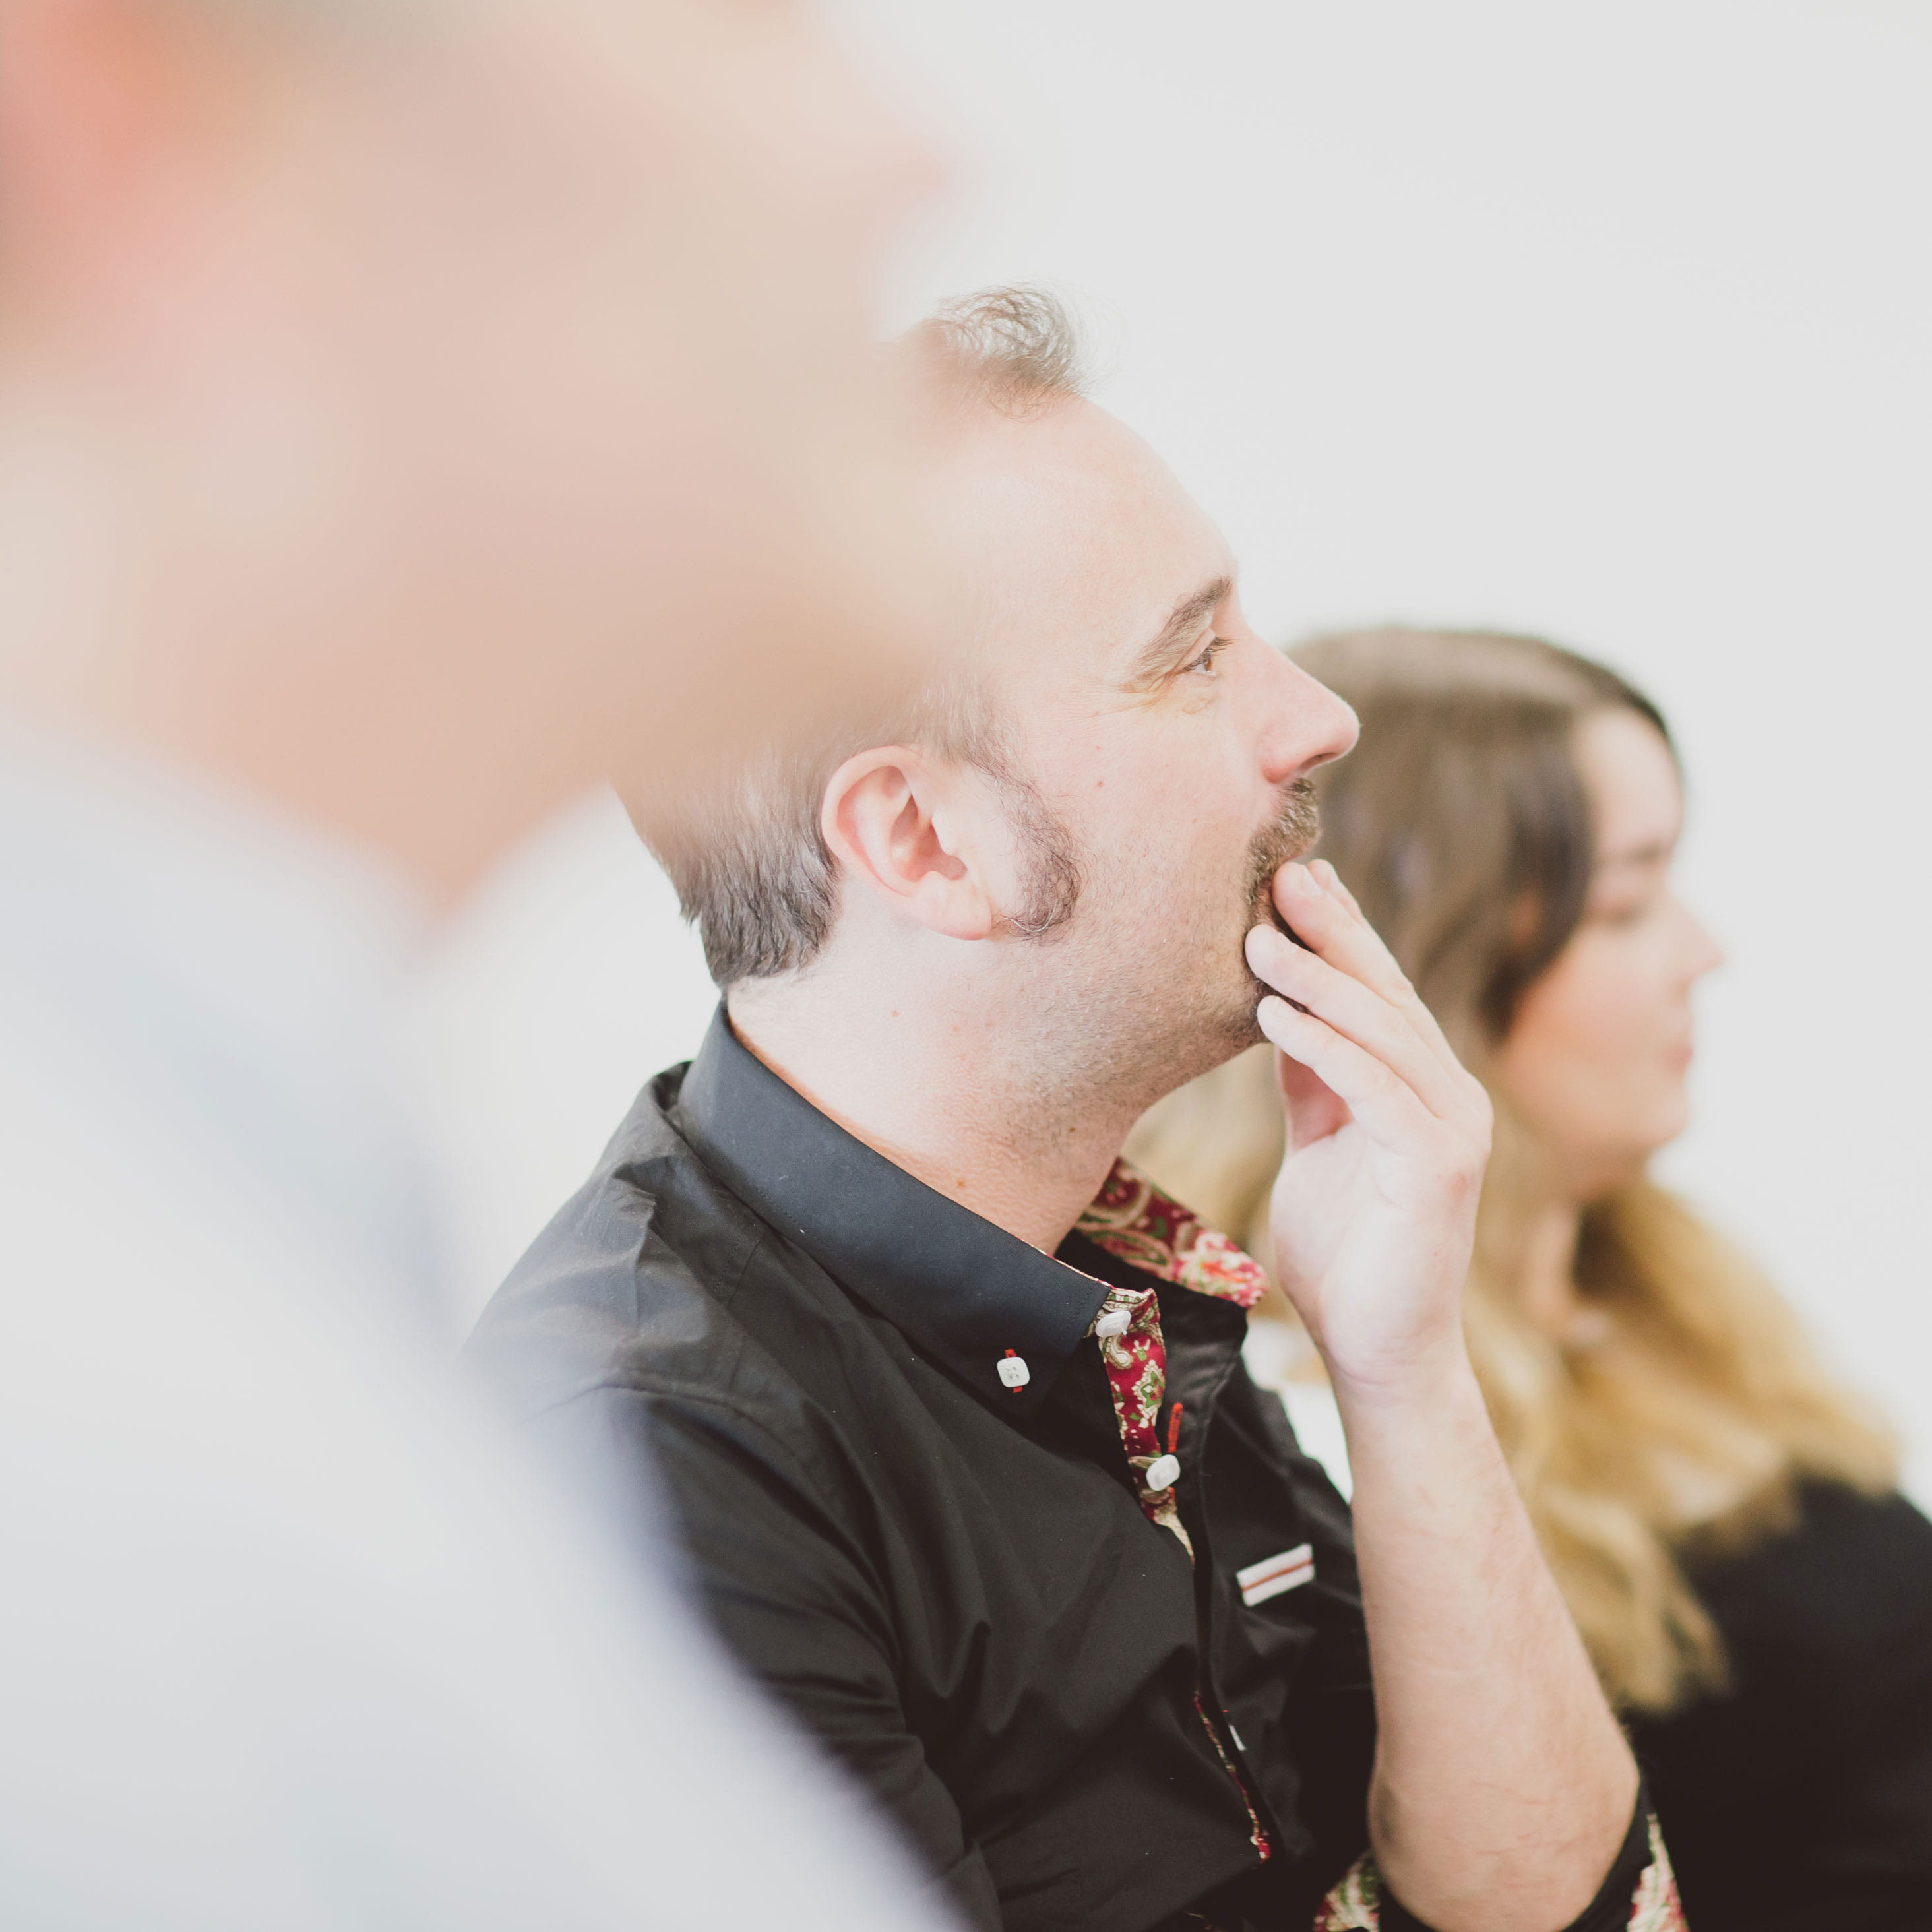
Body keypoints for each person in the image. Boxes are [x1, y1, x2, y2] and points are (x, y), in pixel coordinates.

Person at [472, 290, 1685, 1932]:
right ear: (923, 843)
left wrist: (1404, 1366)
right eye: (1193, 658)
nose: (1314, 717)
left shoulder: (1100, 1273)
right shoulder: (646, 1466)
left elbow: (1573, 1914)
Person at [0, 0, 964, 1924]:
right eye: (741, 25)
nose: (920, 155)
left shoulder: (249, 1274)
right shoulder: (89, 1491)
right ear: (146, 137)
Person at [1130, 625, 1932, 1931]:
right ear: (1423, 966)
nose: (1700, 950)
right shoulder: (1299, 1409)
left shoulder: (1674, 1288)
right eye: (1624, 903)